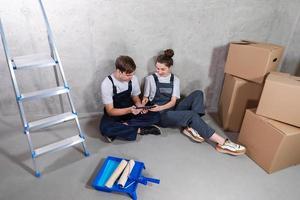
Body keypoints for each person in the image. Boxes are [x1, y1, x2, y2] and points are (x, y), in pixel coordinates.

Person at [142, 49, 246, 156]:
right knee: (191, 115)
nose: (159, 71)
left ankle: (191, 127)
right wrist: (144, 104)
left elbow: (173, 102)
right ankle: (222, 143)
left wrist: (161, 107)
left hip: (172, 110)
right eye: (157, 68)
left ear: (170, 67)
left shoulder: (175, 79)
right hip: (161, 116)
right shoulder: (150, 79)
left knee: (198, 93)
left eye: (162, 69)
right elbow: (145, 97)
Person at [99, 55, 161, 142]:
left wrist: (140, 106)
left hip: (131, 109)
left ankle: (122, 127)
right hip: (115, 113)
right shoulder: (107, 83)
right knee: (105, 129)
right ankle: (139, 129)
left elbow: (135, 97)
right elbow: (110, 111)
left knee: (156, 115)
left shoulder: (133, 78)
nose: (131, 77)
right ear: (119, 71)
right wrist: (128, 110)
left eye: (132, 74)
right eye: (128, 75)